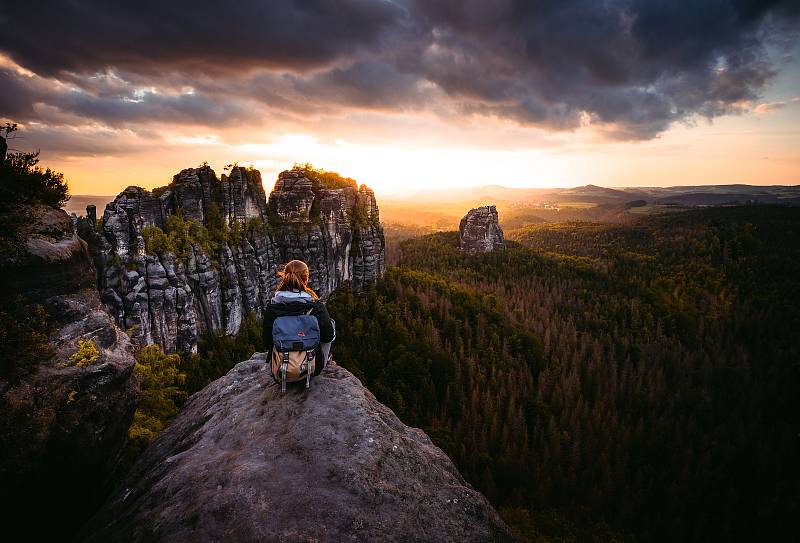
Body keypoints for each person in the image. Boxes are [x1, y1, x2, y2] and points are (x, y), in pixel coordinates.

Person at [262, 260, 335, 374]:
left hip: (281, 370)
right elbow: (328, 336)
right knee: (331, 325)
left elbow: (267, 342)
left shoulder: (273, 307)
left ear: (285, 278)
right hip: (312, 369)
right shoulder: (315, 306)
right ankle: (322, 360)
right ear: (306, 280)